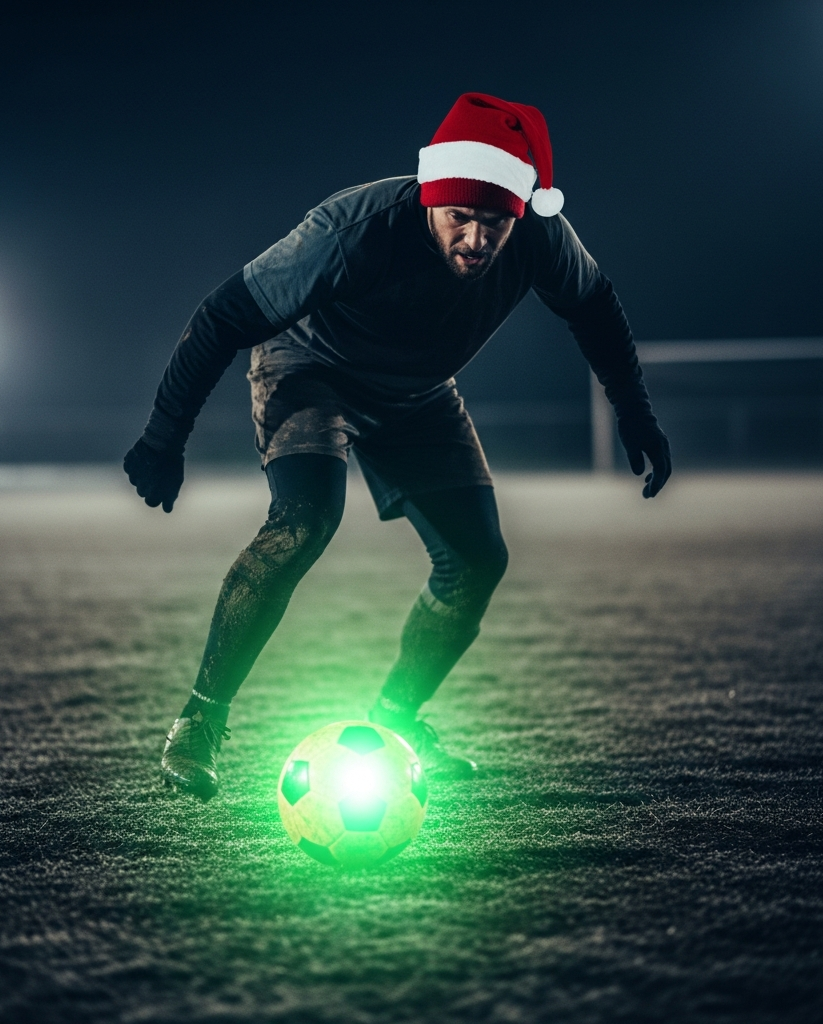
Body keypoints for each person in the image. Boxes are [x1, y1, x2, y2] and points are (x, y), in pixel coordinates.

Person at [124, 93, 671, 801]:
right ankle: (198, 723)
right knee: (305, 522)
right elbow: (225, 315)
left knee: (478, 560)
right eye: (459, 217)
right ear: (428, 201)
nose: (477, 239)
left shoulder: (542, 235)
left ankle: (398, 722)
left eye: (494, 221)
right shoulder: (353, 229)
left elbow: (595, 306)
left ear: (519, 214)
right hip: (310, 367)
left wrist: (634, 410)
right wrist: (165, 436)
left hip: (418, 394)